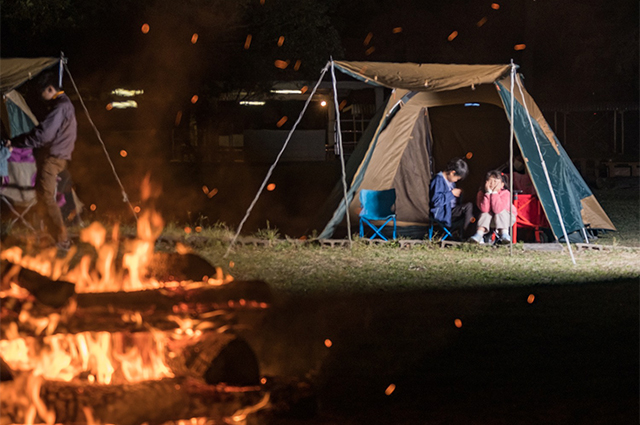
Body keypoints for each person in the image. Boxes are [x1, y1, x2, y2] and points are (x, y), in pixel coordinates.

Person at [8, 72, 77, 250]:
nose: (42, 98)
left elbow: (43, 135)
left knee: (47, 199)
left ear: (50, 89)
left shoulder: (60, 107)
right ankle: (49, 236)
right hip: (59, 157)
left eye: (42, 93)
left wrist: (16, 142)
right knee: (43, 196)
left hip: (53, 159)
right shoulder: (66, 105)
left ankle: (62, 239)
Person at [468, 170, 517, 244]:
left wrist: (494, 193)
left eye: (495, 182)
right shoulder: (481, 194)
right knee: (485, 213)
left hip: (507, 218)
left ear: (502, 185)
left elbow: (498, 209)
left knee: (500, 212)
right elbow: (484, 209)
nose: (492, 184)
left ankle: (504, 234)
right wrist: (488, 193)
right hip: (490, 220)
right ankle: (479, 234)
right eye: (490, 181)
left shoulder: (506, 193)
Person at [429, 157, 473, 238]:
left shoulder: (451, 182)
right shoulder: (438, 180)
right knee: (468, 207)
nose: (456, 181)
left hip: (451, 210)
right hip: (442, 212)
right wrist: (452, 193)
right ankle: (466, 235)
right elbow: (436, 202)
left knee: (471, 206)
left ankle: (468, 233)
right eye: (457, 178)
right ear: (452, 173)